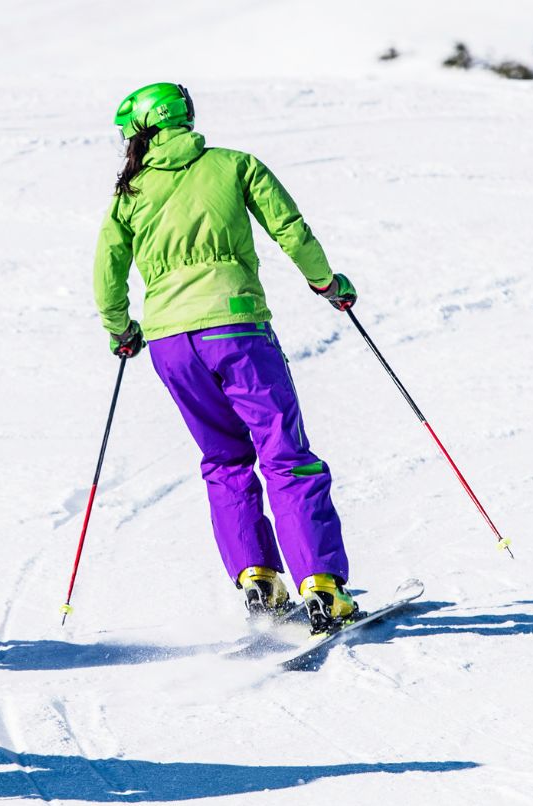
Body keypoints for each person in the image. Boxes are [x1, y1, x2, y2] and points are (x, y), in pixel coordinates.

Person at [93, 83, 361, 630]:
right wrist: (326, 283)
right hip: (236, 328)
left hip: (170, 344)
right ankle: (323, 587)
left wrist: (122, 330)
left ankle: (258, 580)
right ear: (184, 118)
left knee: (224, 460)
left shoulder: (130, 192)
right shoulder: (234, 165)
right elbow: (291, 229)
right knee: (285, 454)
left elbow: (107, 272)